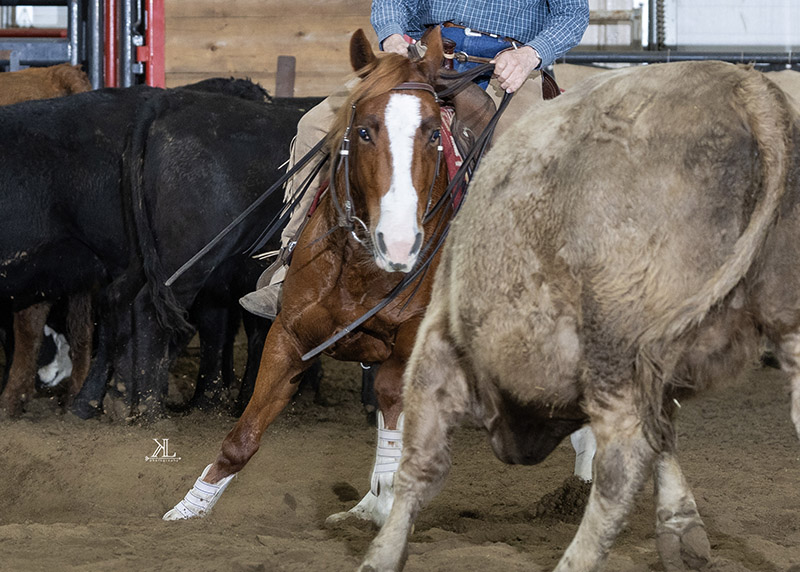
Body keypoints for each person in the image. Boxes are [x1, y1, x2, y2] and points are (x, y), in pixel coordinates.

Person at [239, 0, 590, 319]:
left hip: (507, 65)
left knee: (531, 153)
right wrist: (393, 35)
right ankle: (290, 264)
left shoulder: (522, 58)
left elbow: (572, 13)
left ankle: (528, 292)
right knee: (315, 126)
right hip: (424, 56)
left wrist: (531, 54)